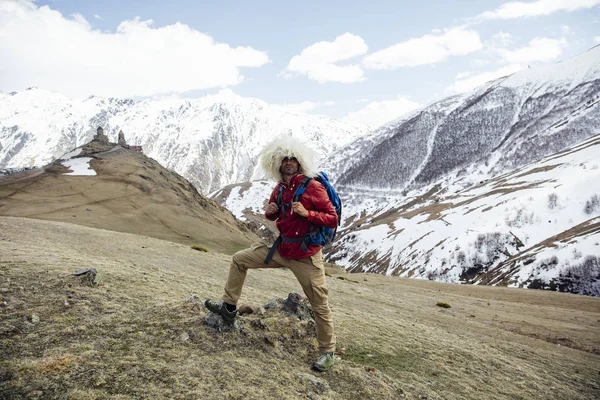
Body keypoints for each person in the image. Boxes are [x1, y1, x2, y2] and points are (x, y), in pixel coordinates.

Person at [204, 136, 338, 372]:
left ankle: (327, 353)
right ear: (276, 163)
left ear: (300, 162)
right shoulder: (280, 188)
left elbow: (332, 217)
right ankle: (229, 307)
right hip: (283, 249)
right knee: (239, 259)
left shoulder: (313, 186)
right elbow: (274, 217)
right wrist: (269, 212)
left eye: (293, 159)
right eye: (284, 159)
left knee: (320, 304)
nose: (288, 162)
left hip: (306, 255)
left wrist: (308, 214)